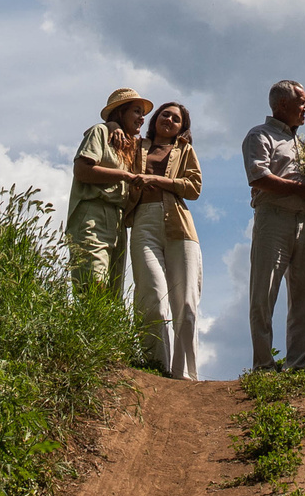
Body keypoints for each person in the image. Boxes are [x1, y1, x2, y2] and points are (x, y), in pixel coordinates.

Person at [241, 79, 305, 370]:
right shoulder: (260, 135)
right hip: (273, 218)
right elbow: (258, 177)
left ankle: (297, 364)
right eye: (302, 103)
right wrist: (301, 189)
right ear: (283, 104)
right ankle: (263, 364)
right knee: (263, 293)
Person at [125, 101, 205, 379]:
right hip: (143, 221)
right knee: (151, 295)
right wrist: (113, 125)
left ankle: (184, 375)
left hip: (180, 225)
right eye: (165, 114)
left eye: (176, 118)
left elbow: (194, 187)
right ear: (155, 118)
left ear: (182, 127)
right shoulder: (135, 146)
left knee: (186, 302)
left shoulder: (185, 151)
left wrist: (158, 182)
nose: (169, 120)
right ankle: (156, 368)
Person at [66, 88, 151, 298]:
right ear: (120, 112)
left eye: (143, 114)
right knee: (92, 283)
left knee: (113, 293)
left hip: (118, 221)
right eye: (136, 111)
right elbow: (82, 170)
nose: (142, 118)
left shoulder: (130, 145)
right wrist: (124, 175)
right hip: (93, 212)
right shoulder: (101, 132)